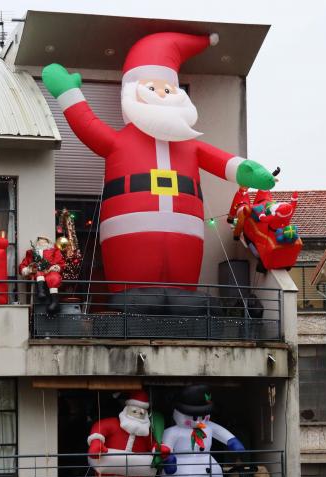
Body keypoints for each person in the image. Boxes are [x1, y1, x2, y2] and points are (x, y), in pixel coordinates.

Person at [42, 31, 277, 297]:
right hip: (128, 231)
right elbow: (88, 127)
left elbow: (222, 161)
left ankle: (184, 298)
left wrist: (247, 171)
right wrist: (68, 93)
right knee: (133, 290)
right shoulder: (120, 143)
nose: (163, 95)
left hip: (186, 232)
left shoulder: (189, 144)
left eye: (169, 90)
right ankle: (129, 297)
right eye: (153, 89)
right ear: (131, 94)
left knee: (184, 290)